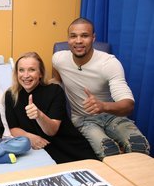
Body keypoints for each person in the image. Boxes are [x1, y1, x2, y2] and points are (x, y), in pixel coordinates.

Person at [52, 17, 150, 160]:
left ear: (93, 38)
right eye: (73, 36)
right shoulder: (59, 59)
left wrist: (103, 106)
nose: (78, 41)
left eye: (84, 36)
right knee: (108, 151)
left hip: (113, 116)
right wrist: (54, 83)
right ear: (68, 39)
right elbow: (57, 75)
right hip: (84, 119)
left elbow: (128, 105)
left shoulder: (109, 63)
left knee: (140, 146)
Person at [4, 52, 98, 164]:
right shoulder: (11, 95)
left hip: (69, 146)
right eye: (21, 70)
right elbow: (13, 128)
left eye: (31, 70)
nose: (26, 75)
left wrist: (39, 115)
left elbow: (52, 130)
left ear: (40, 73)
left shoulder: (55, 91)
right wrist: (29, 137)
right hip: (45, 150)